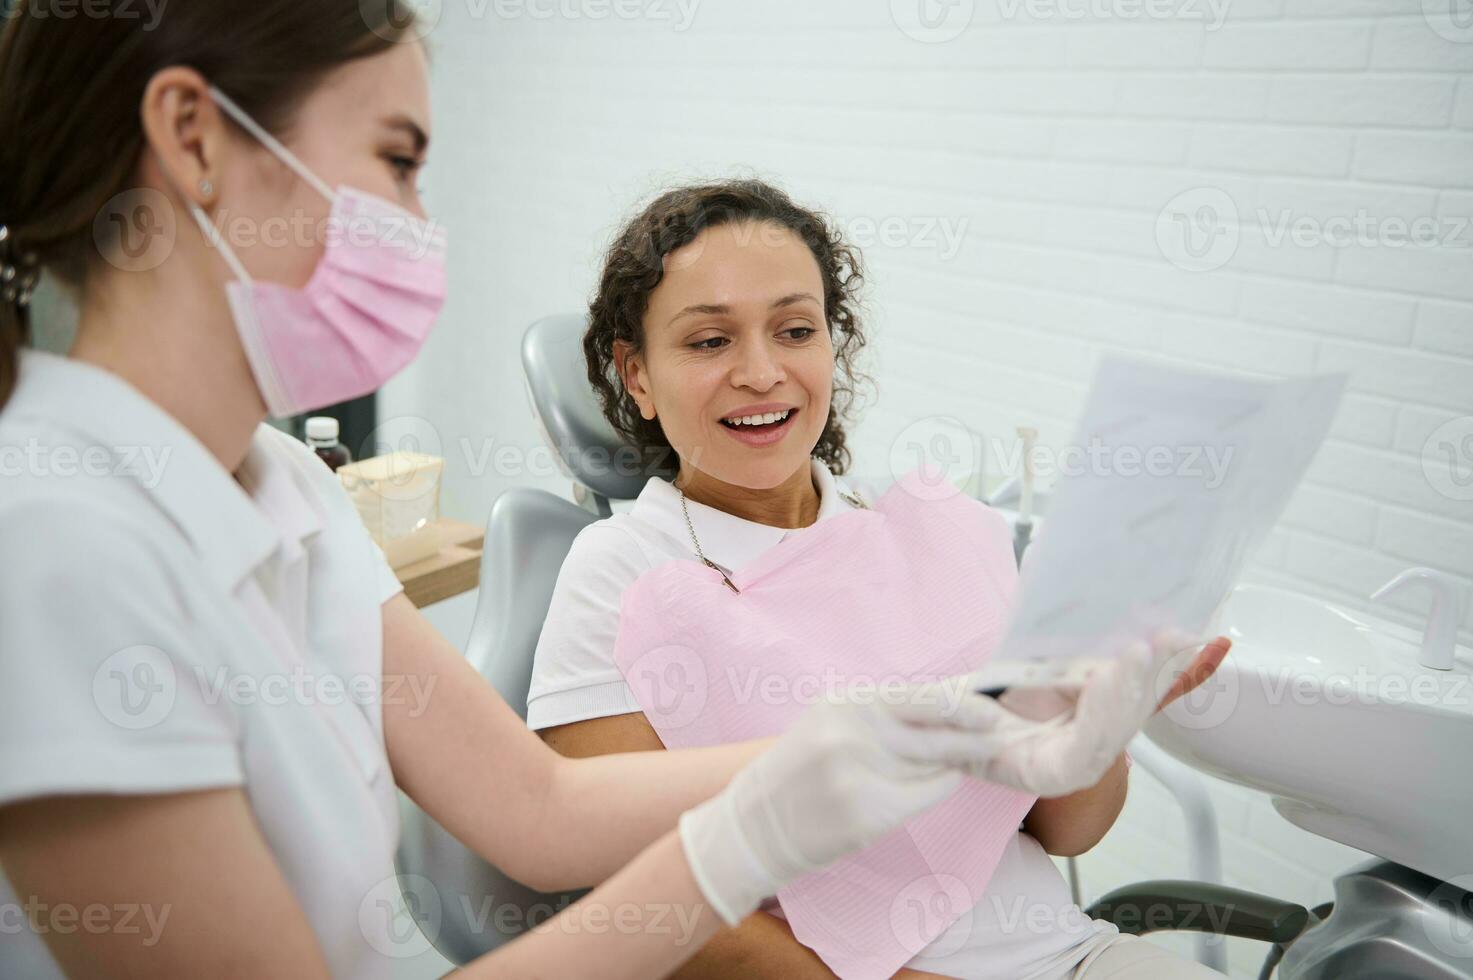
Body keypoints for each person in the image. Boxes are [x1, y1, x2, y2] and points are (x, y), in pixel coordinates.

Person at [0, 5, 1176, 978]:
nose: (417, 223)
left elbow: (541, 804)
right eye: (399, 160)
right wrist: (742, 837)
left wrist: (911, 736)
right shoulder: (55, 539)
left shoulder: (288, 492)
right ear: (195, 137)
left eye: (797, 329)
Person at [527, 179, 1233, 979]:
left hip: (1071, 954)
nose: (761, 373)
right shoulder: (619, 572)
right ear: (638, 376)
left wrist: (1102, 732)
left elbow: (1067, 833)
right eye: (708, 341)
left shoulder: (937, 534)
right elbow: (635, 900)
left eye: (794, 329)